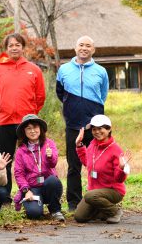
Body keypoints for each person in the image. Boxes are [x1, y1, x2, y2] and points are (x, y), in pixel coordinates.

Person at [56, 36, 109, 211]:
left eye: (88, 46)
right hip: (73, 125)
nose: (84, 48)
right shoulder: (64, 69)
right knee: (73, 166)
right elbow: (60, 93)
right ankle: (73, 202)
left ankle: (100, 200)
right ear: (75, 47)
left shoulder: (101, 71)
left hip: (96, 127)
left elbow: (103, 95)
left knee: (101, 165)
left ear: (93, 50)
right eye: (81, 45)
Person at [0, 33, 45, 197]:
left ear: (23, 47)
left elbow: (40, 96)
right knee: (5, 159)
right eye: (10, 45)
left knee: (30, 159)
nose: (14, 48)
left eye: (17, 45)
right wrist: (0, 109)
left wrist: (32, 115)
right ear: (6, 49)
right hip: (4, 122)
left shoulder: (33, 69)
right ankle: (4, 194)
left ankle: (31, 191)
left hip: (26, 123)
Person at [73, 115, 131, 224]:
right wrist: (79, 145)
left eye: (100, 128)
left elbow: (119, 180)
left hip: (113, 191)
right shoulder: (92, 145)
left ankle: (115, 211)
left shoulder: (115, 150)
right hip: (95, 192)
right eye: (94, 129)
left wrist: (121, 168)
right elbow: (87, 163)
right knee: (79, 217)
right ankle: (103, 211)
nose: (97, 132)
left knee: (89, 196)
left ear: (109, 129)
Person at [12, 114, 64, 221]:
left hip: (48, 185)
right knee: (34, 214)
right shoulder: (20, 151)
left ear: (40, 129)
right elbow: (19, 173)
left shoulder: (49, 143)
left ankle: (55, 210)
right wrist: (26, 190)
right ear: (24, 132)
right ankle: (32, 204)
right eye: (28, 128)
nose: (32, 131)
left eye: (35, 127)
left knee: (53, 181)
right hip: (32, 188)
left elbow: (53, 164)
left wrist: (50, 157)